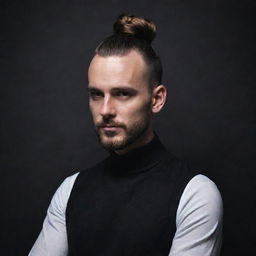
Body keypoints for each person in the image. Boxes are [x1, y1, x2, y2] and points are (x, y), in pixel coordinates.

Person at [29, 14, 223, 256]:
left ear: (157, 99)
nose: (106, 110)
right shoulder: (70, 190)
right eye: (96, 94)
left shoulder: (195, 194)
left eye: (122, 94)